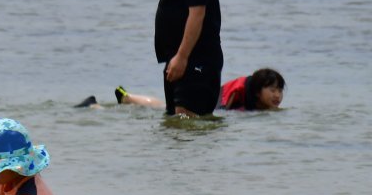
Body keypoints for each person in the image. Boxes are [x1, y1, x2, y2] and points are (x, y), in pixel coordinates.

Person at [111, 67, 285, 112]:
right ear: (257, 92)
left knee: (166, 107)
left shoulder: (255, 98)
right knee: (166, 108)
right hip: (212, 99)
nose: (277, 95)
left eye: (279, 90)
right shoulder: (236, 93)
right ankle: (128, 98)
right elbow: (221, 112)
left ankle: (129, 98)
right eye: (272, 90)